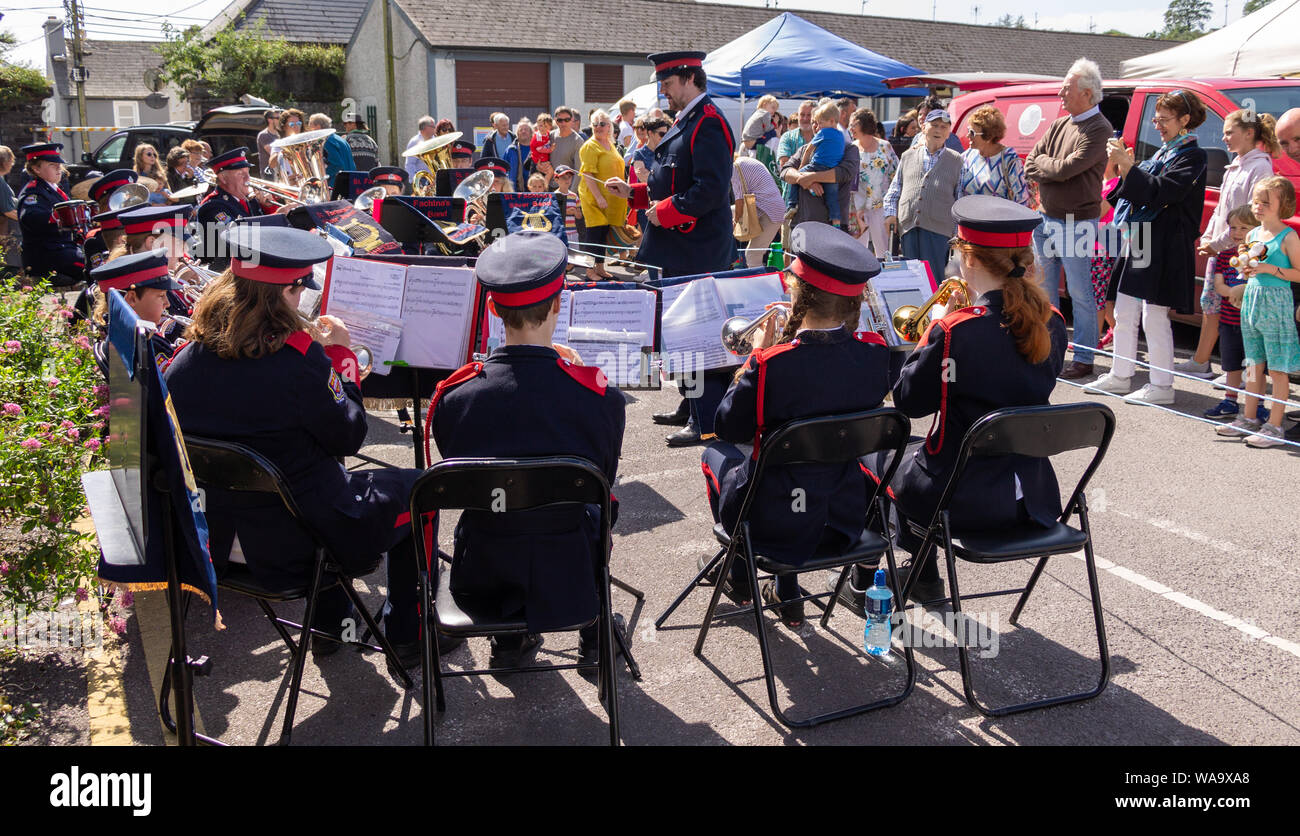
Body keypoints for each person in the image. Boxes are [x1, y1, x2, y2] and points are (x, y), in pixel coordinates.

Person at [164, 225, 429, 666]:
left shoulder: (186, 360)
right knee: (420, 487)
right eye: (301, 287)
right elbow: (350, 435)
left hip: (213, 544)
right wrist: (341, 358)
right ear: (287, 291)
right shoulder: (298, 361)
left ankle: (332, 628)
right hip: (297, 550)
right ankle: (407, 633)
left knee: (310, 478)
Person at [428, 230, 626, 670]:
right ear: (559, 303)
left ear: (495, 310)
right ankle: (595, 637)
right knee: (597, 501)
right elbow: (603, 482)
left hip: (482, 577)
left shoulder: (454, 397)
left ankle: (508, 641)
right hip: (569, 576)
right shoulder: (599, 397)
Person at [875, 195, 1068, 605]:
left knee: (875, 455)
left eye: (957, 251)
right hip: (1032, 499)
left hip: (960, 503)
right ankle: (919, 575)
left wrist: (935, 329)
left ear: (972, 259)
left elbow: (908, 403)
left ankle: (887, 580)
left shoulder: (955, 330)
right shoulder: (1052, 321)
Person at [702, 222, 889, 626]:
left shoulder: (771, 365)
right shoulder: (875, 357)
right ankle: (784, 589)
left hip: (771, 525)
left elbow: (728, 427)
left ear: (795, 290)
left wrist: (753, 359)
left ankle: (740, 573)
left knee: (715, 453)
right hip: (842, 519)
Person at [603, 51, 737, 448]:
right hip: (679, 247)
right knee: (679, 335)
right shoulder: (690, 119)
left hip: (697, 249)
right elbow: (676, 180)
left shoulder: (709, 122)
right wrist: (637, 192)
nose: (662, 90)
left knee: (698, 336)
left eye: (667, 82)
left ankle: (706, 419)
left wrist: (665, 210)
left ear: (689, 78)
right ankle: (689, 405)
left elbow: (711, 190)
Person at [1091, 89, 1208, 406]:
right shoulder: (1164, 153)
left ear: (1185, 120)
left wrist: (1128, 165)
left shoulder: (1193, 156)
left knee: (1154, 316)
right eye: (1156, 118)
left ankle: (1162, 385)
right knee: (1124, 311)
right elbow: (1133, 192)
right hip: (1139, 238)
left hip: (1164, 243)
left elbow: (1162, 192)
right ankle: (1120, 374)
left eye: (1164, 119)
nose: (1157, 124)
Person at [1024, 58, 1112, 380]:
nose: (1061, 92)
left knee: (1080, 293)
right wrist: (1052, 170)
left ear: (1087, 93)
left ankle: (1085, 358)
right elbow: (1031, 162)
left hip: (1076, 222)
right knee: (1045, 292)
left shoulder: (1100, 129)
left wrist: (1048, 170)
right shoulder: (1061, 123)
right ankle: (1049, 351)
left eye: (1067, 87)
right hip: (1045, 218)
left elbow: (1062, 170)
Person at [1182, 109, 1280, 378]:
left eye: (1229, 132)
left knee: (1236, 311)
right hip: (1223, 248)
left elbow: (1250, 216)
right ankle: (1202, 360)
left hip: (1243, 251)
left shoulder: (1260, 166)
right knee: (1211, 303)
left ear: (1249, 133)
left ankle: (1236, 369)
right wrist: (1209, 238)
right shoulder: (1234, 165)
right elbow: (1221, 210)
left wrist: (1220, 242)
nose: (1223, 138)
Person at [1215, 177, 1300, 448]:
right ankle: (1249, 416)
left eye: (1266, 202)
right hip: (1253, 301)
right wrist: (1247, 270)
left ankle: (1274, 426)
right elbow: (1247, 268)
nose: (1259, 206)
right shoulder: (1252, 235)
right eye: (1256, 201)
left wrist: (1268, 269)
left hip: (1276, 303)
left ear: (1282, 205)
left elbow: (1298, 273)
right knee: (1252, 364)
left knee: (1277, 369)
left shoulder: (1289, 236)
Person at [882, 109, 961, 284]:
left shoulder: (957, 160)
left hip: (939, 231)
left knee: (934, 280)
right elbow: (895, 189)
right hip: (908, 227)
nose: (938, 130)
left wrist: (957, 234)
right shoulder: (908, 156)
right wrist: (889, 214)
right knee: (911, 280)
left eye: (943, 126)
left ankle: (935, 312)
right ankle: (914, 312)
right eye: (934, 125)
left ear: (949, 132)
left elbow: (960, 198)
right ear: (924, 127)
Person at [89, 249, 185, 378]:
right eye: (161, 295)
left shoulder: (123, 334)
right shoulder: (144, 344)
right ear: (132, 298)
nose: (167, 303)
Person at [1201, 206, 1258, 422]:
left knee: (1253, 366)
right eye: (1233, 227)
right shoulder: (1225, 256)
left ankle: (1256, 402)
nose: (1237, 232)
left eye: (1244, 227)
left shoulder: (1259, 259)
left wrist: (1244, 295)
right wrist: (1233, 292)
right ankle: (1230, 400)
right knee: (1232, 364)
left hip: (1252, 324)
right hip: (1229, 321)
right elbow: (1219, 284)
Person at [16, 143, 85, 286]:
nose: (59, 168)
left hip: (62, 249)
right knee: (91, 265)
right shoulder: (33, 192)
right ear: (36, 169)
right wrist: (59, 218)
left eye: (59, 164)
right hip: (46, 255)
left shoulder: (53, 189)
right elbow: (30, 217)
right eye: (53, 165)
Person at [194, 147, 277, 264]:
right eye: (240, 174)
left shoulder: (250, 199)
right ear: (223, 178)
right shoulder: (212, 207)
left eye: (248, 172)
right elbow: (238, 237)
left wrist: (269, 207)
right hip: (229, 269)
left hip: (255, 262)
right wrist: (276, 218)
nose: (248, 178)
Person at [577, 108, 626, 280]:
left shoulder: (610, 144)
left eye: (602, 124)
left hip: (609, 198)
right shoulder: (590, 146)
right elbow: (587, 174)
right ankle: (589, 270)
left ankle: (599, 267)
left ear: (609, 127)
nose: (598, 127)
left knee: (602, 232)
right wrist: (598, 197)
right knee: (594, 233)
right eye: (595, 124)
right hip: (593, 198)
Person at [847, 107, 898, 258]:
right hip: (857, 208)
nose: (851, 128)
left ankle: (884, 281)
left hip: (880, 206)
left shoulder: (885, 146)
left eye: (853, 124)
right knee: (857, 253)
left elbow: (895, 174)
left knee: (883, 252)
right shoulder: (850, 148)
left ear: (864, 124)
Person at [784, 101, 845, 227]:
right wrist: (811, 181)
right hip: (831, 168)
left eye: (820, 123)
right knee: (832, 198)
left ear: (832, 121)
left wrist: (803, 173)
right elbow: (785, 171)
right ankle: (836, 221)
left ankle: (792, 204)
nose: (818, 126)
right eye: (814, 123)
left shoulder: (824, 133)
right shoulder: (841, 136)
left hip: (817, 166)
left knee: (798, 177)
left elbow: (808, 150)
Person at [960, 104, 1030, 206]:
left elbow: (1022, 199)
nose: (967, 136)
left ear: (989, 136)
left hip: (999, 220)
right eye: (968, 131)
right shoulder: (966, 157)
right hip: (969, 220)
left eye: (972, 132)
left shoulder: (1009, 159)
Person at [731, 151, 783, 267]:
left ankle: (759, 283)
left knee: (752, 255)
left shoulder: (734, 168)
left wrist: (735, 225)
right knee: (728, 212)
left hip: (770, 212)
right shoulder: (742, 162)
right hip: (768, 208)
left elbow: (739, 203)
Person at [777, 101, 816, 203]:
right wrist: (809, 181)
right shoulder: (787, 137)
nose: (805, 118)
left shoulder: (822, 137)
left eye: (809, 115)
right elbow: (785, 164)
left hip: (817, 200)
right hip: (791, 199)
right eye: (802, 115)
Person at [307, 113, 355, 182]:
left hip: (337, 184)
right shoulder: (339, 139)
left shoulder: (326, 141)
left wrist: (320, 177)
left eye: (311, 127)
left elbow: (336, 165)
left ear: (318, 126)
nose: (310, 131)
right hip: (349, 180)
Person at [0, 146, 21, 277]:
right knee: (10, 268)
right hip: (8, 233)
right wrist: (26, 218)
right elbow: (7, 210)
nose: (12, 164)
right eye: (11, 160)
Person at [550, 106, 583, 176]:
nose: (563, 123)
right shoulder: (550, 136)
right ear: (555, 120)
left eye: (567, 120)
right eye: (560, 120)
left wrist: (573, 187)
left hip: (567, 185)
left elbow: (579, 170)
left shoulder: (578, 141)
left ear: (572, 119)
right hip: (548, 184)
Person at [503, 118, 534, 192]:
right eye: (521, 129)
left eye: (526, 129)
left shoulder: (537, 149)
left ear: (531, 132)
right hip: (515, 192)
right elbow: (504, 171)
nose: (523, 131)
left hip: (535, 192)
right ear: (517, 133)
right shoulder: (510, 150)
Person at [404, 115, 437, 182]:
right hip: (422, 179)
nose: (435, 128)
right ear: (426, 128)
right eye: (433, 127)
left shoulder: (436, 140)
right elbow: (410, 164)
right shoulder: (414, 142)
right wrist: (415, 181)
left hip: (435, 179)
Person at [256, 107, 282, 174]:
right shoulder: (264, 135)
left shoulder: (280, 134)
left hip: (279, 172)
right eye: (278, 118)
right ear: (270, 120)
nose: (280, 120)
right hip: (269, 173)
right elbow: (273, 153)